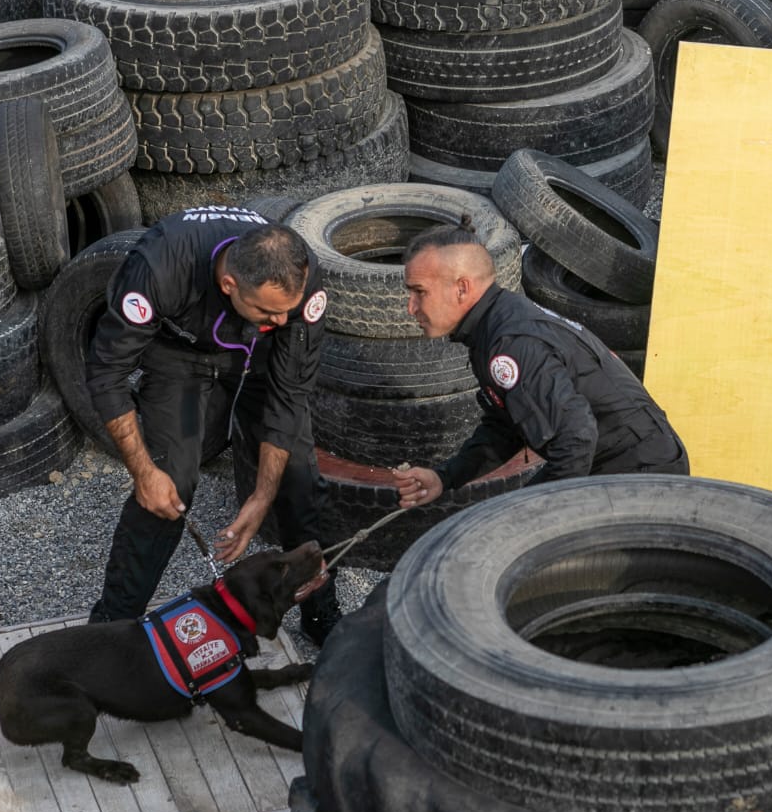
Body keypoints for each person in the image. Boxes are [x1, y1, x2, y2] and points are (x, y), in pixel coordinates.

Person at [83, 204, 341, 644]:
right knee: (170, 485)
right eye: (269, 310)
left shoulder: (299, 283)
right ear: (229, 284)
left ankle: (322, 616)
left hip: (260, 355)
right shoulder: (158, 267)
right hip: (181, 351)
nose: (282, 320)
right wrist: (144, 473)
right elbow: (106, 373)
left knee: (299, 484)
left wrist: (262, 497)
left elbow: (290, 393)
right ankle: (111, 627)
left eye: (287, 311)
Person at [391, 218, 688, 507]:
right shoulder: (495, 323)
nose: (410, 307)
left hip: (641, 472)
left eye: (419, 292)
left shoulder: (513, 343)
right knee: (506, 519)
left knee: (510, 531)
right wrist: (445, 477)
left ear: (462, 288)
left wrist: (543, 515)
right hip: (613, 460)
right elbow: (507, 425)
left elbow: (576, 438)